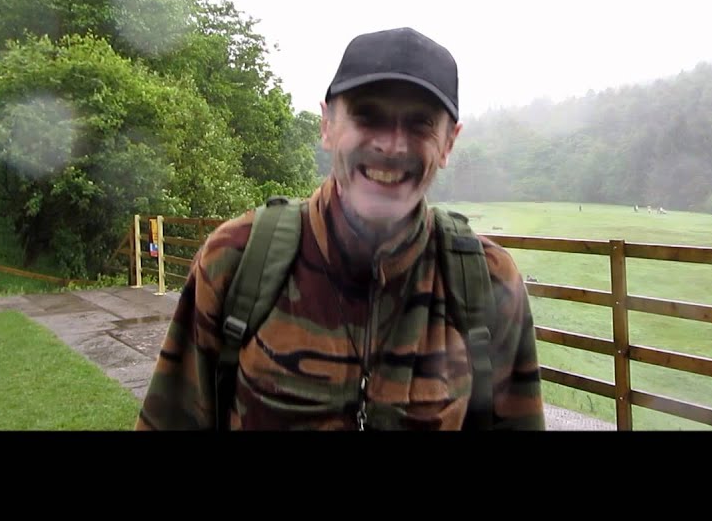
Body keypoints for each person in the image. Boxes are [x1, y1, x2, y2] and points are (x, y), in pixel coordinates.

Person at [135, 27, 545, 430]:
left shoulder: (487, 283)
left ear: (448, 144)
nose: (392, 145)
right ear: (327, 125)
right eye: (368, 116)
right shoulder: (236, 259)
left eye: (420, 123)